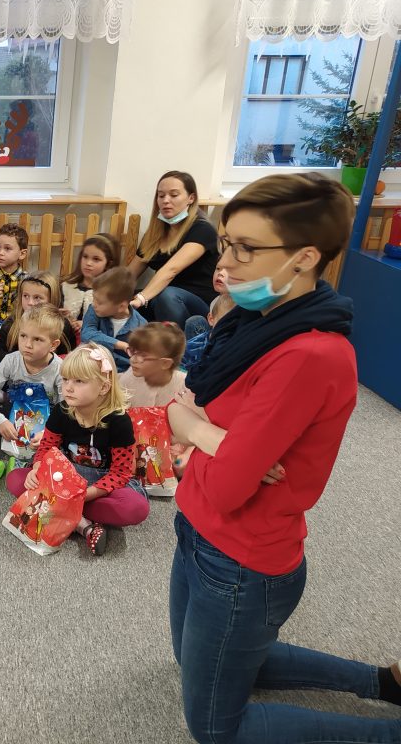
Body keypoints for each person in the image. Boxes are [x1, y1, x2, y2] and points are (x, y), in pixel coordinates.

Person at [166, 172, 401, 743]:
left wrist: (195, 429)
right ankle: (384, 682)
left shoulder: (309, 354)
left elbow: (227, 483)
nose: (226, 261)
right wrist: (214, 436)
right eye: (227, 242)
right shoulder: (253, 322)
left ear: (305, 257)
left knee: (216, 729)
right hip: (195, 525)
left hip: (239, 560)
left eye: (246, 248)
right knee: (200, 660)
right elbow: (179, 405)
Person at [7, 343, 149, 556]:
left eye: (79, 381)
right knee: (15, 480)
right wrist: (37, 470)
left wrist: (82, 496)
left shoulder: (119, 421)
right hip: (64, 477)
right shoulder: (62, 411)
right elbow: (46, 448)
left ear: (103, 387)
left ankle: (61, 512)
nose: (68, 387)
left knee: (135, 508)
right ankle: (84, 525)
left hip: (101, 485)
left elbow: (120, 473)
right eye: (65, 379)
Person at [0, 304, 67, 492]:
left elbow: (66, 410)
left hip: (45, 423)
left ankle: (25, 465)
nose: (27, 344)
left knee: (65, 438)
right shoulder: (12, 360)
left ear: (53, 345)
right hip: (11, 416)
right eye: (23, 336)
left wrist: (48, 434)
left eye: (37, 339)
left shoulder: (60, 369)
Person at [127, 171, 220, 327]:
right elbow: (129, 274)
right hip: (163, 300)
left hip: (199, 307)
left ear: (191, 198)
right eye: (161, 195)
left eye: (174, 195)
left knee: (166, 295)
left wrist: (141, 298)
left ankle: (178, 342)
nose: (166, 200)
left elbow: (171, 270)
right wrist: (110, 295)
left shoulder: (203, 229)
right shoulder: (155, 233)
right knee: (121, 303)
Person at [0, 271, 76, 371]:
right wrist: (23, 364)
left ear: (52, 299)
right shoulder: (12, 322)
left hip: (47, 373)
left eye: (37, 298)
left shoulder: (63, 325)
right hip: (15, 370)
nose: (30, 303)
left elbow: (68, 356)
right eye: (26, 296)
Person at [80, 266, 147, 372]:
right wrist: (120, 344)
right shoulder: (94, 309)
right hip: (92, 366)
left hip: (122, 372)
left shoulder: (141, 326)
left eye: (99, 302)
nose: (94, 304)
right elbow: (87, 334)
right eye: (94, 298)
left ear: (121, 307)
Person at [61, 233, 120, 333]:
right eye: (85, 257)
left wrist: (87, 325)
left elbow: (112, 325)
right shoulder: (66, 286)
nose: (88, 263)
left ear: (108, 264)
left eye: (96, 259)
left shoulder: (111, 293)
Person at [120, 322, 187, 408]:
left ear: (165, 363)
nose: (132, 360)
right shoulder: (129, 377)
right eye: (133, 352)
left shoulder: (184, 386)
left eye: (143, 356)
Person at [181, 293, 234, 371]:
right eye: (225, 321)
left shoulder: (239, 345)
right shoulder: (192, 347)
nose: (230, 327)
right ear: (211, 319)